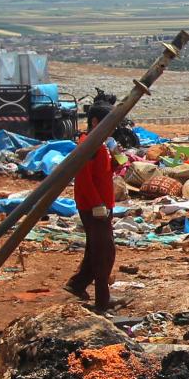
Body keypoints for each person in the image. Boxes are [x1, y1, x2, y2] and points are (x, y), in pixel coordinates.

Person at [66, 100, 117, 312]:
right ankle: (102, 302)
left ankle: (77, 284)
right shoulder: (88, 144)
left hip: (101, 205)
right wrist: (96, 204)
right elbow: (84, 178)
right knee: (104, 252)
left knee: (95, 249)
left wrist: (117, 159)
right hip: (93, 207)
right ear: (95, 122)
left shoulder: (100, 144)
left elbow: (103, 172)